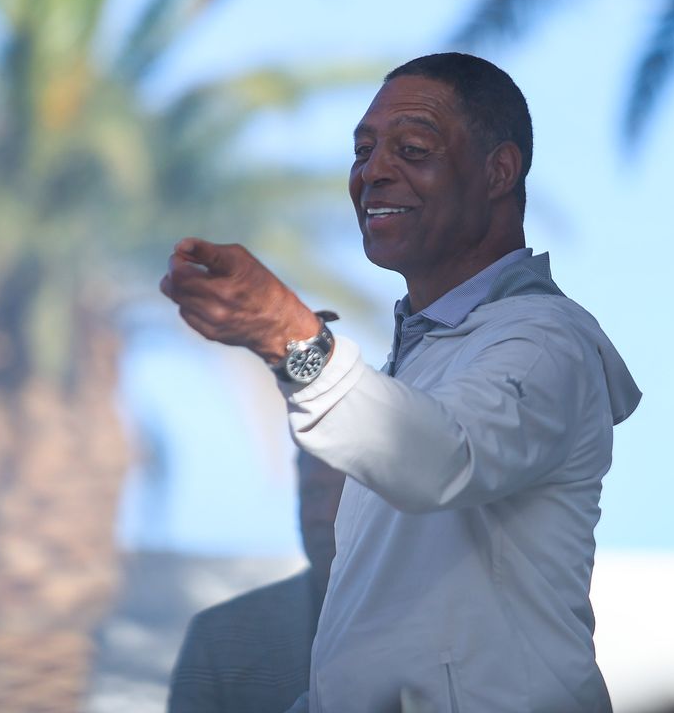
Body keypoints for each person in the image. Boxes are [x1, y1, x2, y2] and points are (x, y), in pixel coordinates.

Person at [160, 52, 641, 712]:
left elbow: (441, 458)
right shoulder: (425, 359)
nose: (374, 171)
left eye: (412, 148)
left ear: (499, 171)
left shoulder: (544, 340)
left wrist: (287, 336)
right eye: (363, 150)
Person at [167, 450, 345, 712]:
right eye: (314, 492)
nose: (327, 514)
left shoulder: (423, 629)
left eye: (349, 497)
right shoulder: (219, 639)